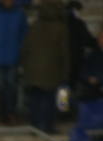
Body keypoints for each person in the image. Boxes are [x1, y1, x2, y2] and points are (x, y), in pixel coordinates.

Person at [20, 0, 70, 133]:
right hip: (52, 71)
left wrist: (26, 67)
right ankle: (48, 127)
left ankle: (34, 127)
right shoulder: (61, 28)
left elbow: (25, 49)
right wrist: (65, 72)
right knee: (50, 101)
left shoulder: (34, 26)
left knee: (35, 101)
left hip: (33, 71)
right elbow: (64, 53)